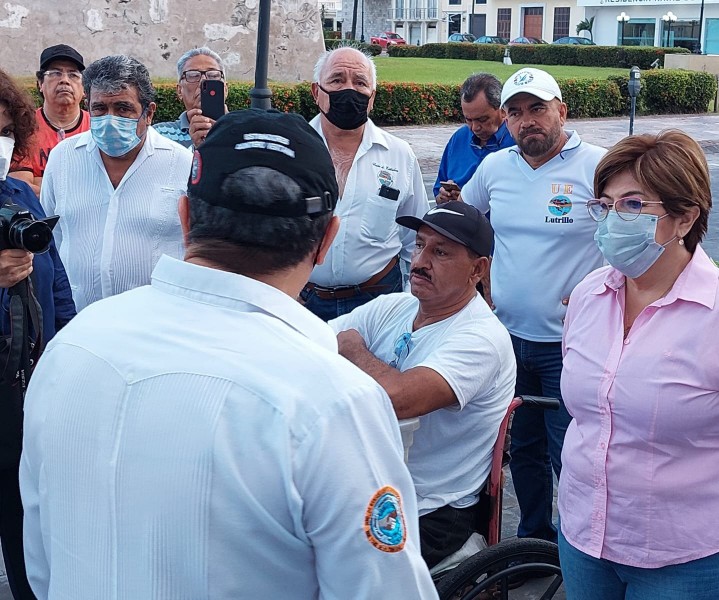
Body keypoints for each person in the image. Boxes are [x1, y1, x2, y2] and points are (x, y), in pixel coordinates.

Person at [20, 108, 437, 600]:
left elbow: (42, 563)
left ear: (185, 217)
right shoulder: (332, 401)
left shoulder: (72, 345)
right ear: (327, 239)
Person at [558, 130, 719, 600]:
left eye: (632, 205)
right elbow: (587, 411)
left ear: (685, 218)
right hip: (584, 535)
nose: (611, 221)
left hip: (686, 555)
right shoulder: (589, 296)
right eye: (604, 206)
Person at [457, 67, 606, 542]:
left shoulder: (599, 166)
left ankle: (580, 545)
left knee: (573, 451)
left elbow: (630, 238)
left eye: (537, 109)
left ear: (562, 109)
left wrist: (605, 287)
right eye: (516, 113)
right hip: (507, 337)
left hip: (571, 342)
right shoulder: (496, 167)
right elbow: (466, 223)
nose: (527, 121)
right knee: (522, 448)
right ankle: (536, 540)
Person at [331, 202, 516, 568]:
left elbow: (400, 398)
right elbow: (311, 341)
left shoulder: (481, 338)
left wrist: (352, 348)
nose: (419, 262)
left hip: (430, 508)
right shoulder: (394, 306)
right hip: (370, 483)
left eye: (440, 252)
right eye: (418, 245)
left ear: (477, 269)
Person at [0, 68, 76, 600]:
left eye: (4, 130)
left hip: (20, 401)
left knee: (28, 539)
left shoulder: (18, 197)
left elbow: (58, 288)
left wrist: (68, 363)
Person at [40, 54, 193, 312]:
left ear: (149, 113)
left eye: (123, 108)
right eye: (100, 109)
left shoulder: (180, 163)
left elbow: (194, 246)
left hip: (154, 322)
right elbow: (51, 238)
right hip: (77, 321)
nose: (110, 120)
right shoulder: (63, 158)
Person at [302, 47, 429, 321]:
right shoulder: (294, 150)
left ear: (372, 98)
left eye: (360, 83)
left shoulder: (399, 155)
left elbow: (415, 237)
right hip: (304, 302)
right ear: (316, 91)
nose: (349, 90)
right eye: (337, 80)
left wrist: (408, 299)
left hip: (380, 300)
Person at [9, 44, 90, 196]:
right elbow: (21, 187)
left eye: (73, 75)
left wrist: (40, 180)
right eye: (55, 73)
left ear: (84, 88)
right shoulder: (23, 126)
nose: (64, 80)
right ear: (40, 83)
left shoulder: (96, 127)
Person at [434, 73, 514, 203]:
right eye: (468, 120)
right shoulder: (459, 138)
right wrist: (443, 197)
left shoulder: (518, 143)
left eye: (482, 119)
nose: (474, 128)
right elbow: (438, 191)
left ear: (503, 110)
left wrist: (467, 201)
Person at [154, 46, 228, 148]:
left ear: (225, 89)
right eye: (193, 75)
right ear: (180, 90)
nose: (203, 81)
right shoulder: (160, 135)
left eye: (213, 75)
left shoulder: (244, 131)